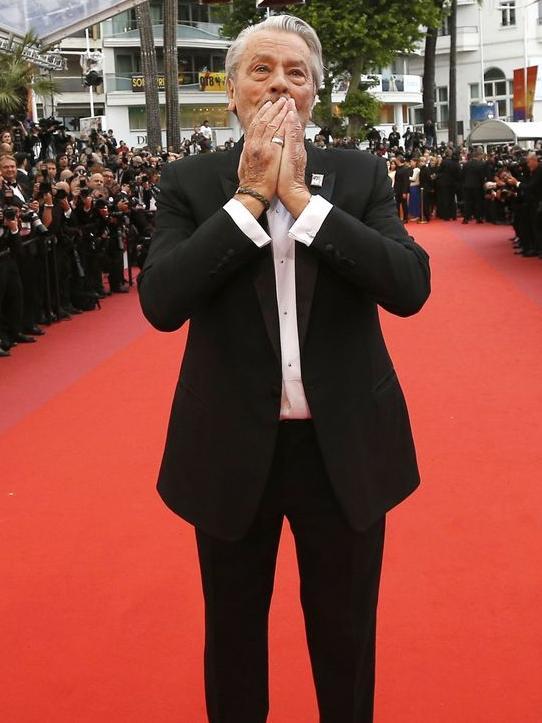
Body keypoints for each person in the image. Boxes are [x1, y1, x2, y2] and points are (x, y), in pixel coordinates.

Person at [140, 16, 429, 721]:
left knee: (346, 636)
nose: (278, 85)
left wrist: (301, 200)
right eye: (261, 70)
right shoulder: (190, 181)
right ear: (232, 92)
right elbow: (162, 301)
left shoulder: (359, 174)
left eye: (295, 73)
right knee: (233, 636)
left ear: (314, 93)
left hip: (343, 446)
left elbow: (408, 285)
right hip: (231, 445)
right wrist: (248, 201)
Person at [461, 148, 487, 224]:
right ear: (479, 155)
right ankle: (478, 218)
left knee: (467, 202)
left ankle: (466, 218)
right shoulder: (481, 164)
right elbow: (482, 176)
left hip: (467, 186)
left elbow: (462, 175)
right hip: (477, 186)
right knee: (478, 202)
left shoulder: (466, 164)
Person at [393, 154, 412, 223]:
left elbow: (406, 182)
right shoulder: (398, 168)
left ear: (398, 160)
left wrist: (404, 192)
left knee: (404, 205)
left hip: (402, 190)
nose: (395, 161)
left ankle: (405, 218)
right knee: (397, 205)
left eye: (396, 160)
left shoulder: (405, 169)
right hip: (397, 189)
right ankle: (398, 218)